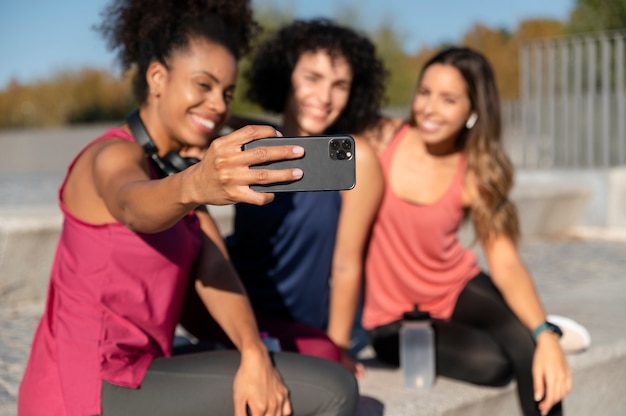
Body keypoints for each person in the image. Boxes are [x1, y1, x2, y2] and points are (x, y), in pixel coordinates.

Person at [17, 1, 359, 415]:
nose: (218, 104)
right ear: (158, 77)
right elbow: (133, 205)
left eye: (227, 93)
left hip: (144, 367)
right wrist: (196, 183)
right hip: (87, 386)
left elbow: (216, 268)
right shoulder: (109, 157)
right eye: (204, 85)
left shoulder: (174, 166)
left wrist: (254, 354)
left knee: (318, 352)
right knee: (335, 391)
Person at [361, 47, 572, 416]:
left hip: (452, 286)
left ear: (473, 111)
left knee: (529, 344)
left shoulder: (474, 171)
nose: (429, 108)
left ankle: (552, 329)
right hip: (391, 318)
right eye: (424, 93)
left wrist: (546, 335)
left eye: (448, 100)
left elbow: (505, 262)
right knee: (493, 366)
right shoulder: (382, 139)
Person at [181, 18, 387, 379]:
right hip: (239, 304)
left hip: (307, 323)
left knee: (323, 360)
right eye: (312, 78)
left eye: (340, 85)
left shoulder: (356, 159)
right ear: (285, 77)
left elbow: (346, 265)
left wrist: (338, 348)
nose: (324, 98)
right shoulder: (251, 142)